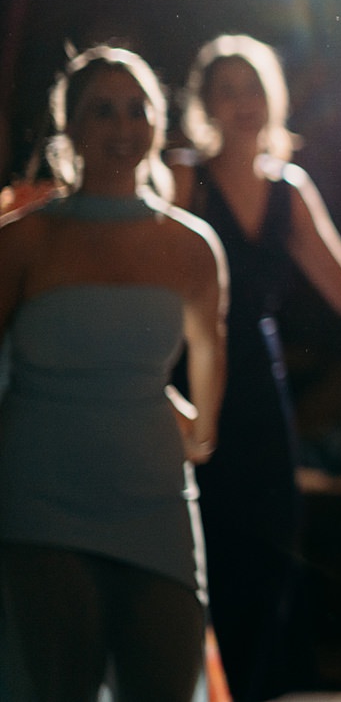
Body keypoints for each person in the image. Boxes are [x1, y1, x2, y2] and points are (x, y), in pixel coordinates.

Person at [169, 34, 341, 702]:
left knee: (269, 546)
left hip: (259, 384)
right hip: (185, 379)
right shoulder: (180, 178)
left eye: (253, 87)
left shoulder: (289, 188)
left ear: (273, 99)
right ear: (205, 104)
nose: (242, 103)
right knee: (202, 549)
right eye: (227, 90)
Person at [0, 47, 226, 702]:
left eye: (136, 109)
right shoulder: (23, 240)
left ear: (158, 123)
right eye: (102, 110)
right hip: (41, 495)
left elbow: (211, 356)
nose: (122, 126)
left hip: (153, 493)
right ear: (69, 127)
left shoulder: (190, 244)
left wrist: (196, 423)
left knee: (165, 682)